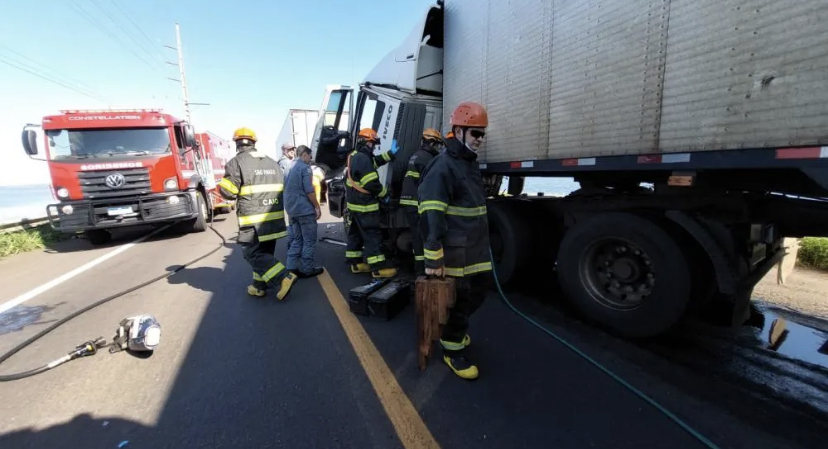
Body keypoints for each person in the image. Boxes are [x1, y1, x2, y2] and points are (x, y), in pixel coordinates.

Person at [417, 102, 491, 380]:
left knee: (479, 291)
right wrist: (433, 254)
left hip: (474, 248)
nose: (480, 139)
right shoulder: (444, 165)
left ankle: (454, 331)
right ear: (458, 131)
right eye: (476, 133)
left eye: (483, 134)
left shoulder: (467, 163)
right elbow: (431, 212)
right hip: (456, 250)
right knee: (461, 299)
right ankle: (452, 348)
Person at [219, 127, 297, 300]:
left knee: (252, 254)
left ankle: (284, 277)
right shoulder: (272, 162)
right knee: (265, 254)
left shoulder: (236, 162)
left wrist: (221, 186)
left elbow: (229, 192)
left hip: (253, 220)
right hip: (274, 217)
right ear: (253, 143)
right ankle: (258, 286)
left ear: (237, 144)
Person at [344, 128, 399, 278]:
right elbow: (371, 184)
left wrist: (390, 154)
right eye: (373, 143)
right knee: (372, 235)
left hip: (355, 206)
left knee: (356, 234)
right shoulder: (362, 158)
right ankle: (378, 268)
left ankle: (356, 264)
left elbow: (374, 162)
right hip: (365, 207)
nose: (374, 147)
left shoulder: (356, 156)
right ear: (367, 142)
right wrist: (384, 194)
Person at [399, 128, 444, 275]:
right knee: (422, 236)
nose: (438, 148)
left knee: (417, 235)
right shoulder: (427, 159)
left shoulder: (417, 155)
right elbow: (432, 183)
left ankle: (419, 267)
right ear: (431, 143)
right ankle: (420, 269)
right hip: (415, 202)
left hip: (408, 201)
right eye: (437, 145)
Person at [284, 145, 324, 278]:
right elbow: (309, 191)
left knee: (297, 239)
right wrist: (317, 207)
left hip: (291, 210)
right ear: (305, 154)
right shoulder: (305, 168)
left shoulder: (287, 167)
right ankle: (308, 269)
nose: (310, 159)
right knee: (309, 241)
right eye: (309, 156)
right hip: (304, 210)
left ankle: (291, 267)